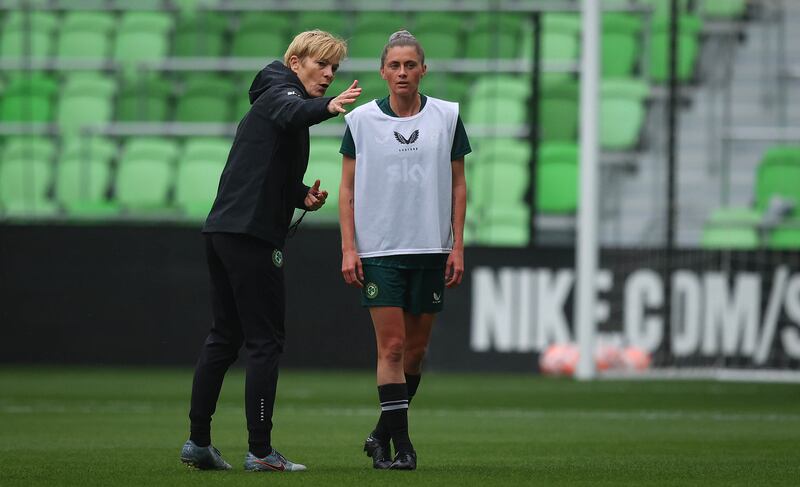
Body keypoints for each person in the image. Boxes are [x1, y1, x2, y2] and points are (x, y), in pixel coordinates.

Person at [180, 30, 361, 472]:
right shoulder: (280, 92)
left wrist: (300, 196)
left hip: (224, 230)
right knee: (265, 342)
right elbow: (293, 111)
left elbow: (262, 172)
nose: (329, 74)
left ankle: (198, 443)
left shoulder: (270, 100)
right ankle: (260, 451)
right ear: (296, 61)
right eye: (322, 64)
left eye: (334, 68)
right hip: (251, 237)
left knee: (225, 337)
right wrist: (328, 106)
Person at [338, 30, 470, 471]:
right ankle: (404, 447)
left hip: (431, 247)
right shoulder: (359, 121)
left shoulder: (447, 117)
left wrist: (457, 246)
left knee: (416, 352)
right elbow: (347, 189)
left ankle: (380, 434)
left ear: (423, 70)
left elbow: (458, 185)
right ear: (382, 71)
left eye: (410, 65)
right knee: (391, 349)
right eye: (394, 65)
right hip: (380, 251)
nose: (402, 72)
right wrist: (349, 248)